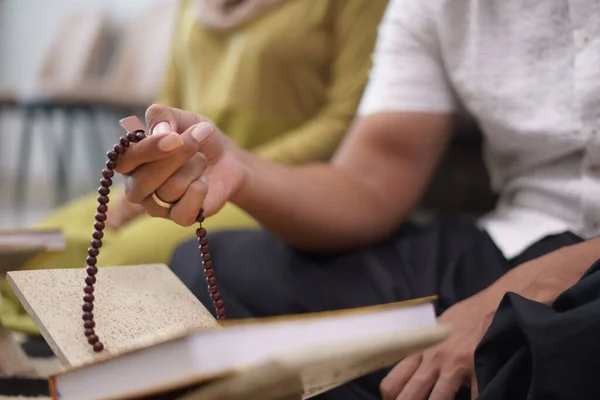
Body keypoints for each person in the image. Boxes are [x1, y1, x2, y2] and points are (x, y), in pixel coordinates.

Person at [98, 0, 600, 399]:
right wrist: (239, 168)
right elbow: (371, 182)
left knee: (557, 342)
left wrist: (536, 283)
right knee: (223, 275)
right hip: (516, 236)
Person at [0, 0, 387, 334]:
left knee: (119, 262)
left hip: (269, 185)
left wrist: (231, 168)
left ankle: (61, 330)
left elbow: (344, 120)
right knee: (29, 243)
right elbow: (168, 102)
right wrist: (158, 163)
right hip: (182, 170)